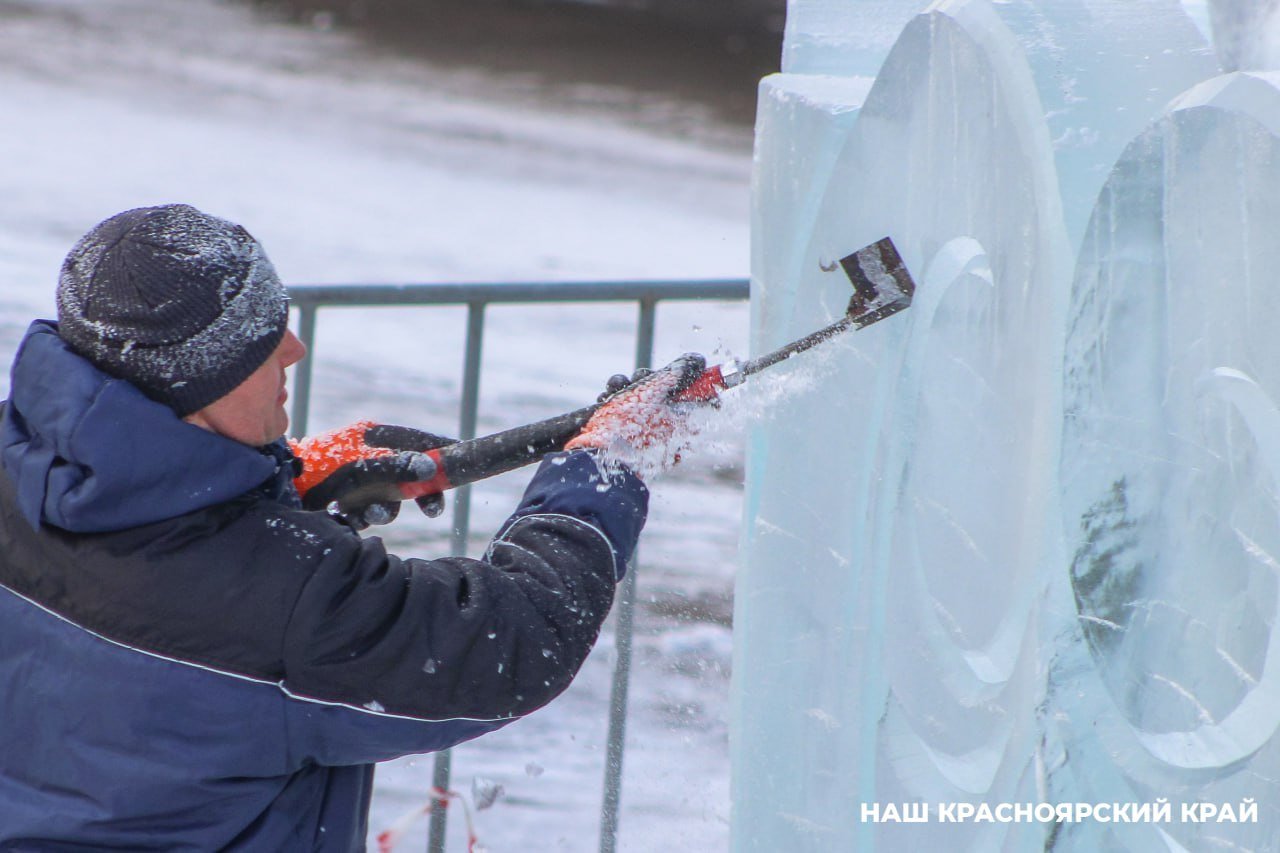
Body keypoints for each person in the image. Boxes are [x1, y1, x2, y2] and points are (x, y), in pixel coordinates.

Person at [0, 204, 704, 849]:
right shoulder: (291, 605)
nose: (294, 350)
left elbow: (137, 557)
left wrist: (276, 479)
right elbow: (517, 635)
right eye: (258, 342)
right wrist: (603, 464)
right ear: (194, 385)